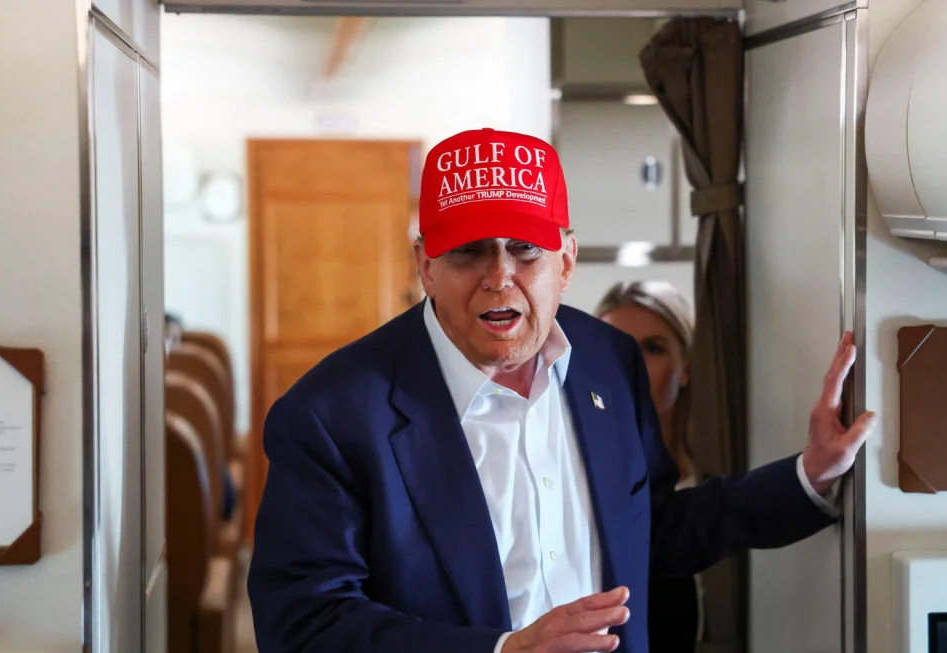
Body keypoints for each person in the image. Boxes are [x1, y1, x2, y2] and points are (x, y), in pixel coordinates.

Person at [248, 128, 877, 653]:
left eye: (524, 251)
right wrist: (500, 652)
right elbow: (304, 622)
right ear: (424, 264)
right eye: (469, 253)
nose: (499, 279)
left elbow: (648, 530)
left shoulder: (608, 360)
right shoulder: (329, 414)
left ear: (566, 261)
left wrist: (809, 475)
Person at [595, 280, 701, 653]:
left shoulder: (709, 487)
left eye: (652, 349)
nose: (630, 366)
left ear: (684, 369)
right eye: (614, 347)